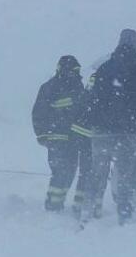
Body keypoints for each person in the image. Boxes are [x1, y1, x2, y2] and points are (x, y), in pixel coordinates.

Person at [72, 29, 136, 224]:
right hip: (125, 131)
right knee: (124, 175)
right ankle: (124, 215)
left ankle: (87, 213)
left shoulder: (105, 67)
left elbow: (93, 98)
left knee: (97, 173)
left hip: (100, 131)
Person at [32, 55, 92, 214]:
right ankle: (52, 206)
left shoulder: (76, 86)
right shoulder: (50, 87)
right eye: (73, 70)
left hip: (72, 137)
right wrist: (42, 135)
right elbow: (38, 113)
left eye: (76, 70)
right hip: (57, 137)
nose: (75, 73)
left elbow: (81, 111)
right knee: (60, 172)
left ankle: (56, 204)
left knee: (69, 171)